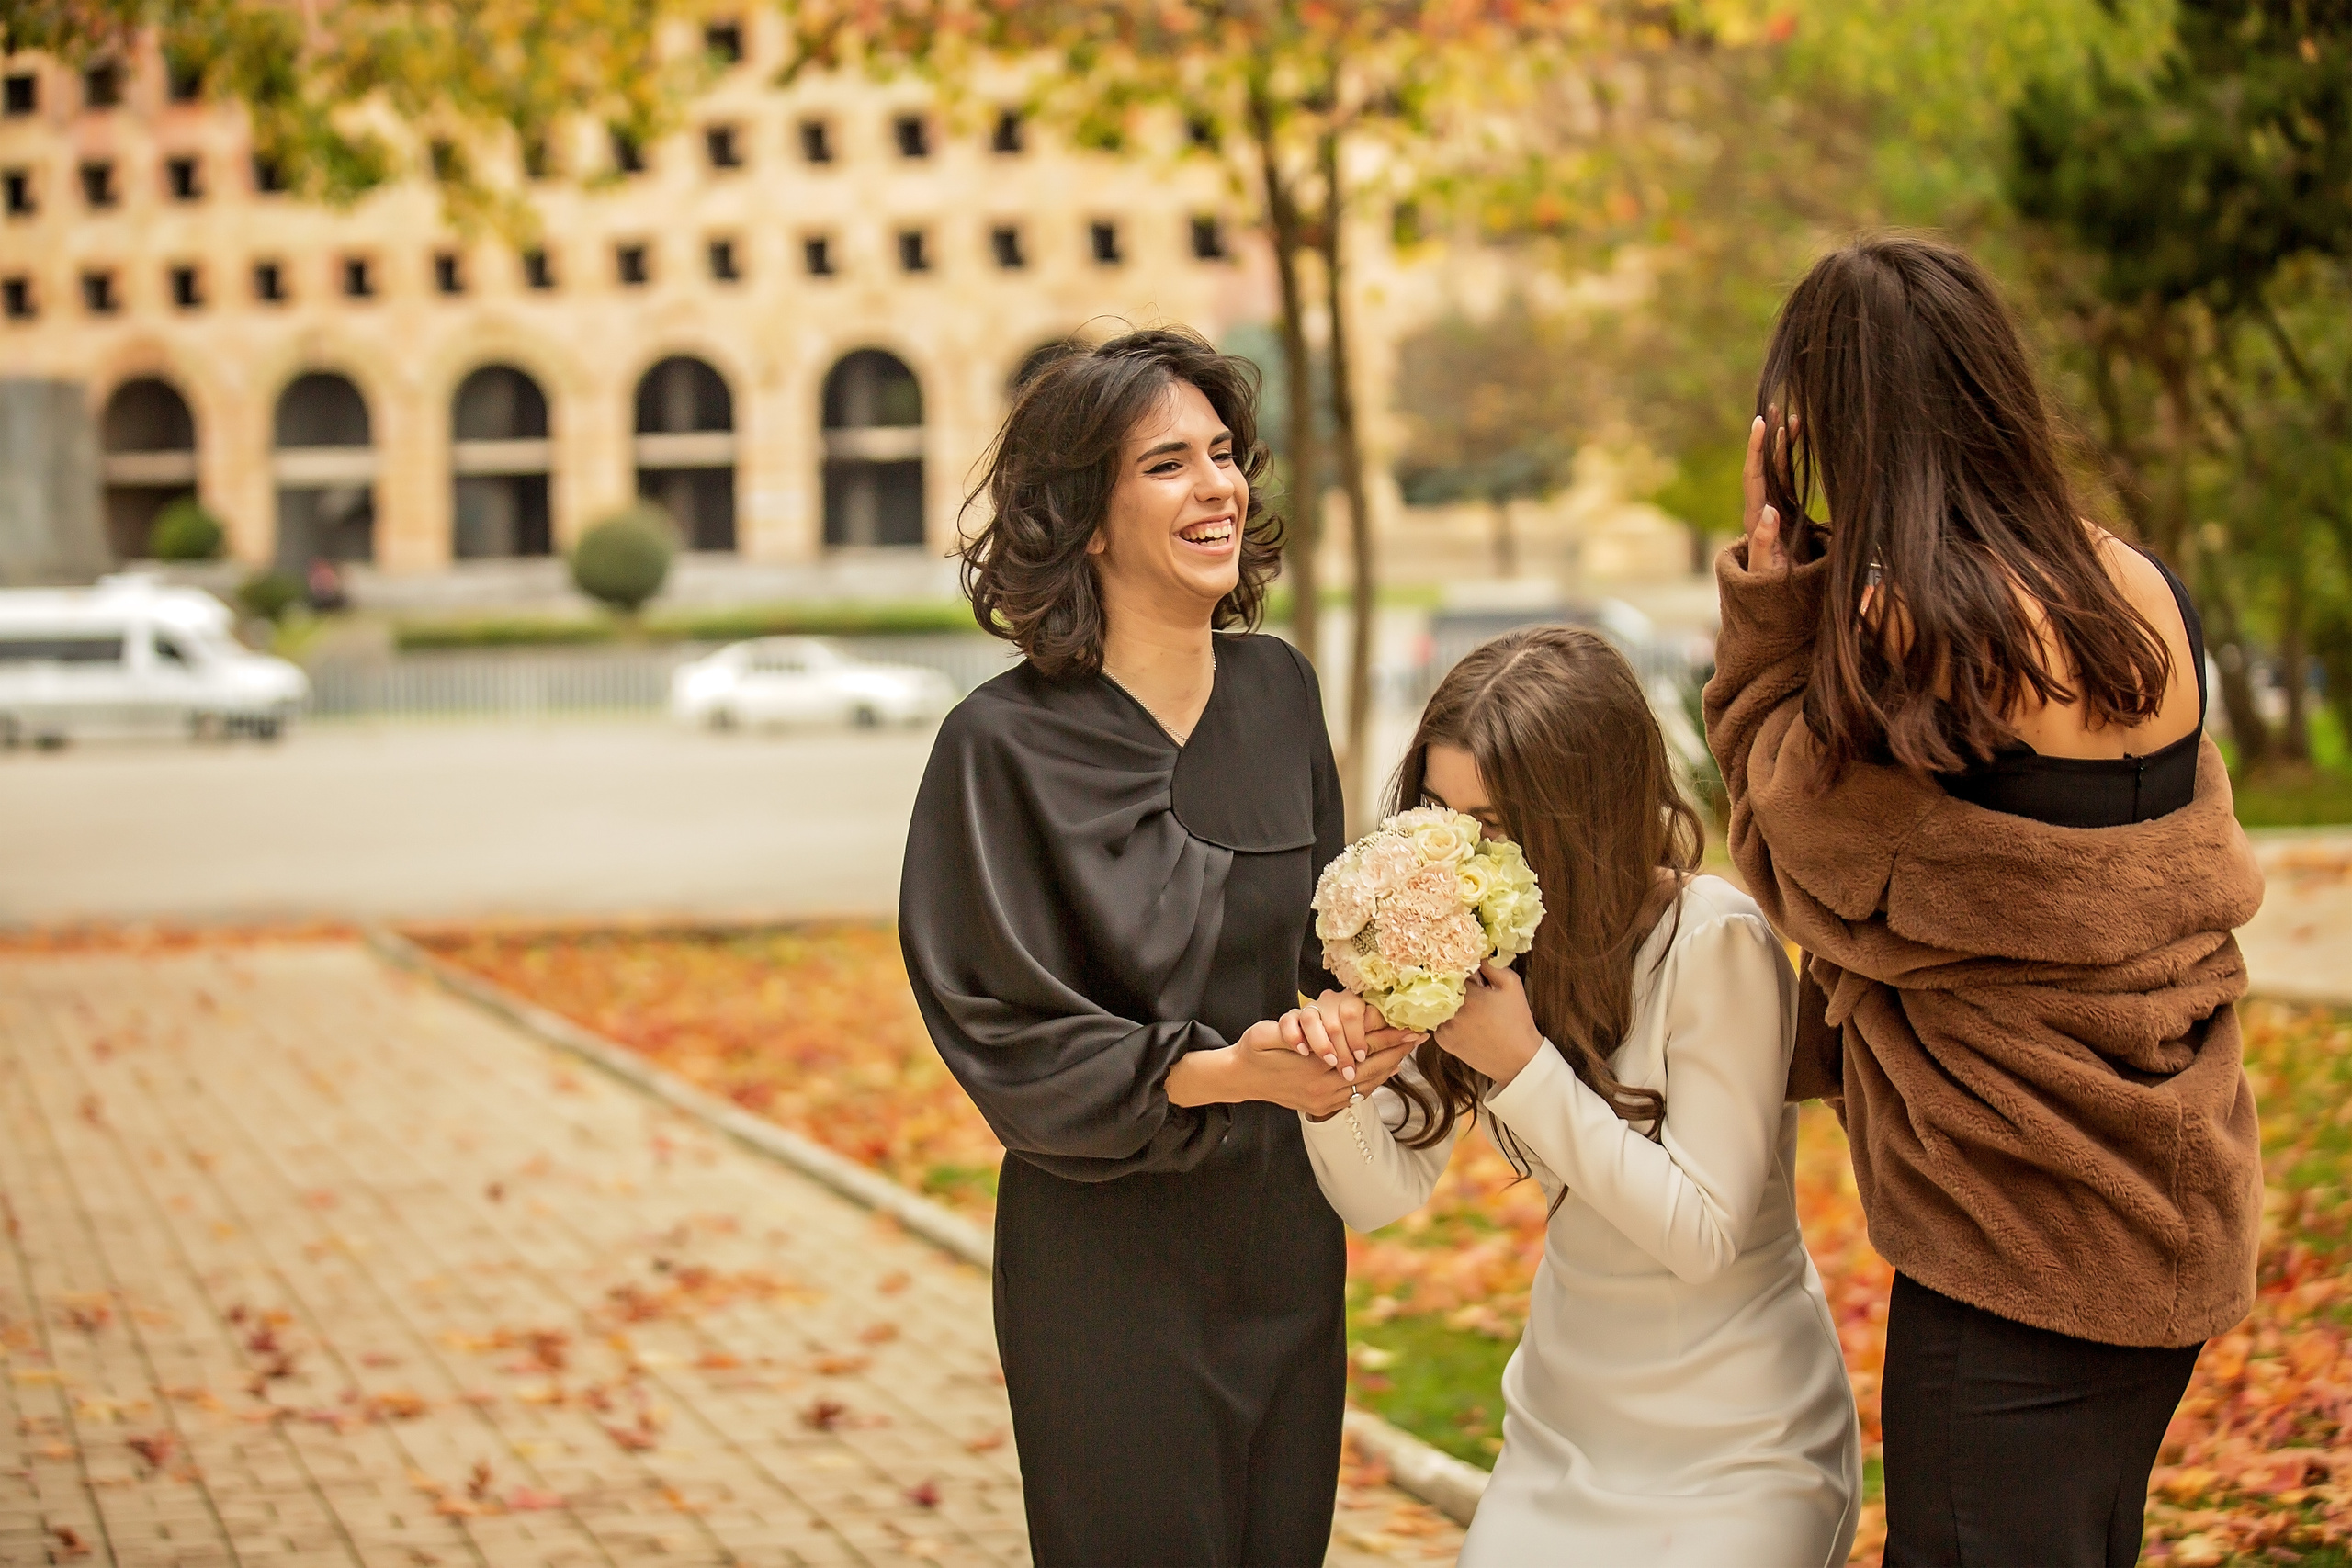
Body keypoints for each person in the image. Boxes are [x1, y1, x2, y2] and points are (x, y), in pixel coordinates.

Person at [1704, 232, 2267, 1568]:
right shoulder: (2140, 586)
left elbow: (1795, 849)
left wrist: (1772, 597)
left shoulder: (1912, 624)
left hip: (2020, 1236)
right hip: (2166, 1202)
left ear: (1827, 426)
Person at [897, 327, 1420, 1567]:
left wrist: (1353, 1018)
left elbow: (1324, 946)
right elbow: (998, 1028)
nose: (1218, 486)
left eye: (1224, 454)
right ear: (1085, 516)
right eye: (1168, 464)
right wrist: (1220, 1070)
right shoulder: (997, 745)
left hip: (1283, 1235)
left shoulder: (1279, 692)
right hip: (1104, 1260)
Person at [1299, 626, 1861, 1568]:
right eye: (1437, 811)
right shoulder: (1482, 944)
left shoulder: (1711, 938)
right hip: (1561, 1440)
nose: (1452, 856)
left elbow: (1703, 1235)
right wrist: (1336, 1085)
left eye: (1492, 825)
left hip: (1740, 1452)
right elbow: (1380, 1195)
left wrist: (1523, 1068)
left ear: (1583, 814)